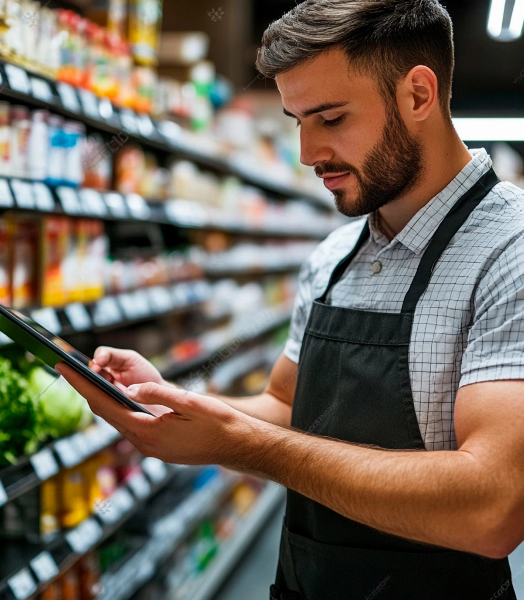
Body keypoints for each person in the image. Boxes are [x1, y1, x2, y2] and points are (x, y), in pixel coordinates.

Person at [57, 1, 524, 598]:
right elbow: (285, 406)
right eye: (297, 120)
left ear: (417, 95)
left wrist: (241, 444)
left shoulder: (507, 251)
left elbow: (493, 508)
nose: (307, 153)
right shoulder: (332, 257)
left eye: (330, 118)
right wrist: (179, 404)